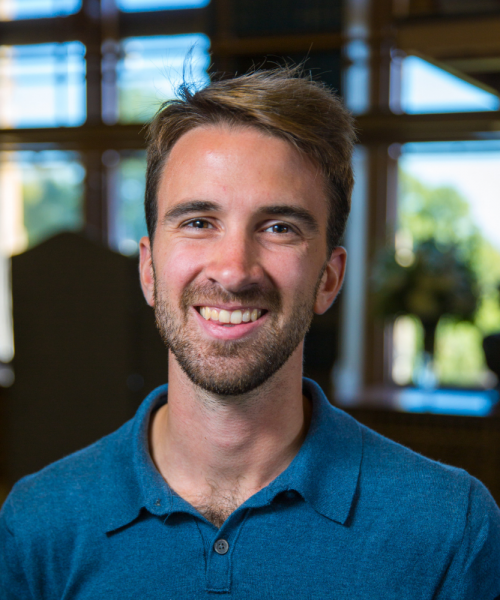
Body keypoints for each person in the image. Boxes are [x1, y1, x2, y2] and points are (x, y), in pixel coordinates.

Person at [1, 66, 500, 599]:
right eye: (198, 222)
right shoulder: (36, 525)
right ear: (148, 270)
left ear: (328, 279)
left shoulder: (451, 530)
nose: (234, 270)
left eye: (279, 228)